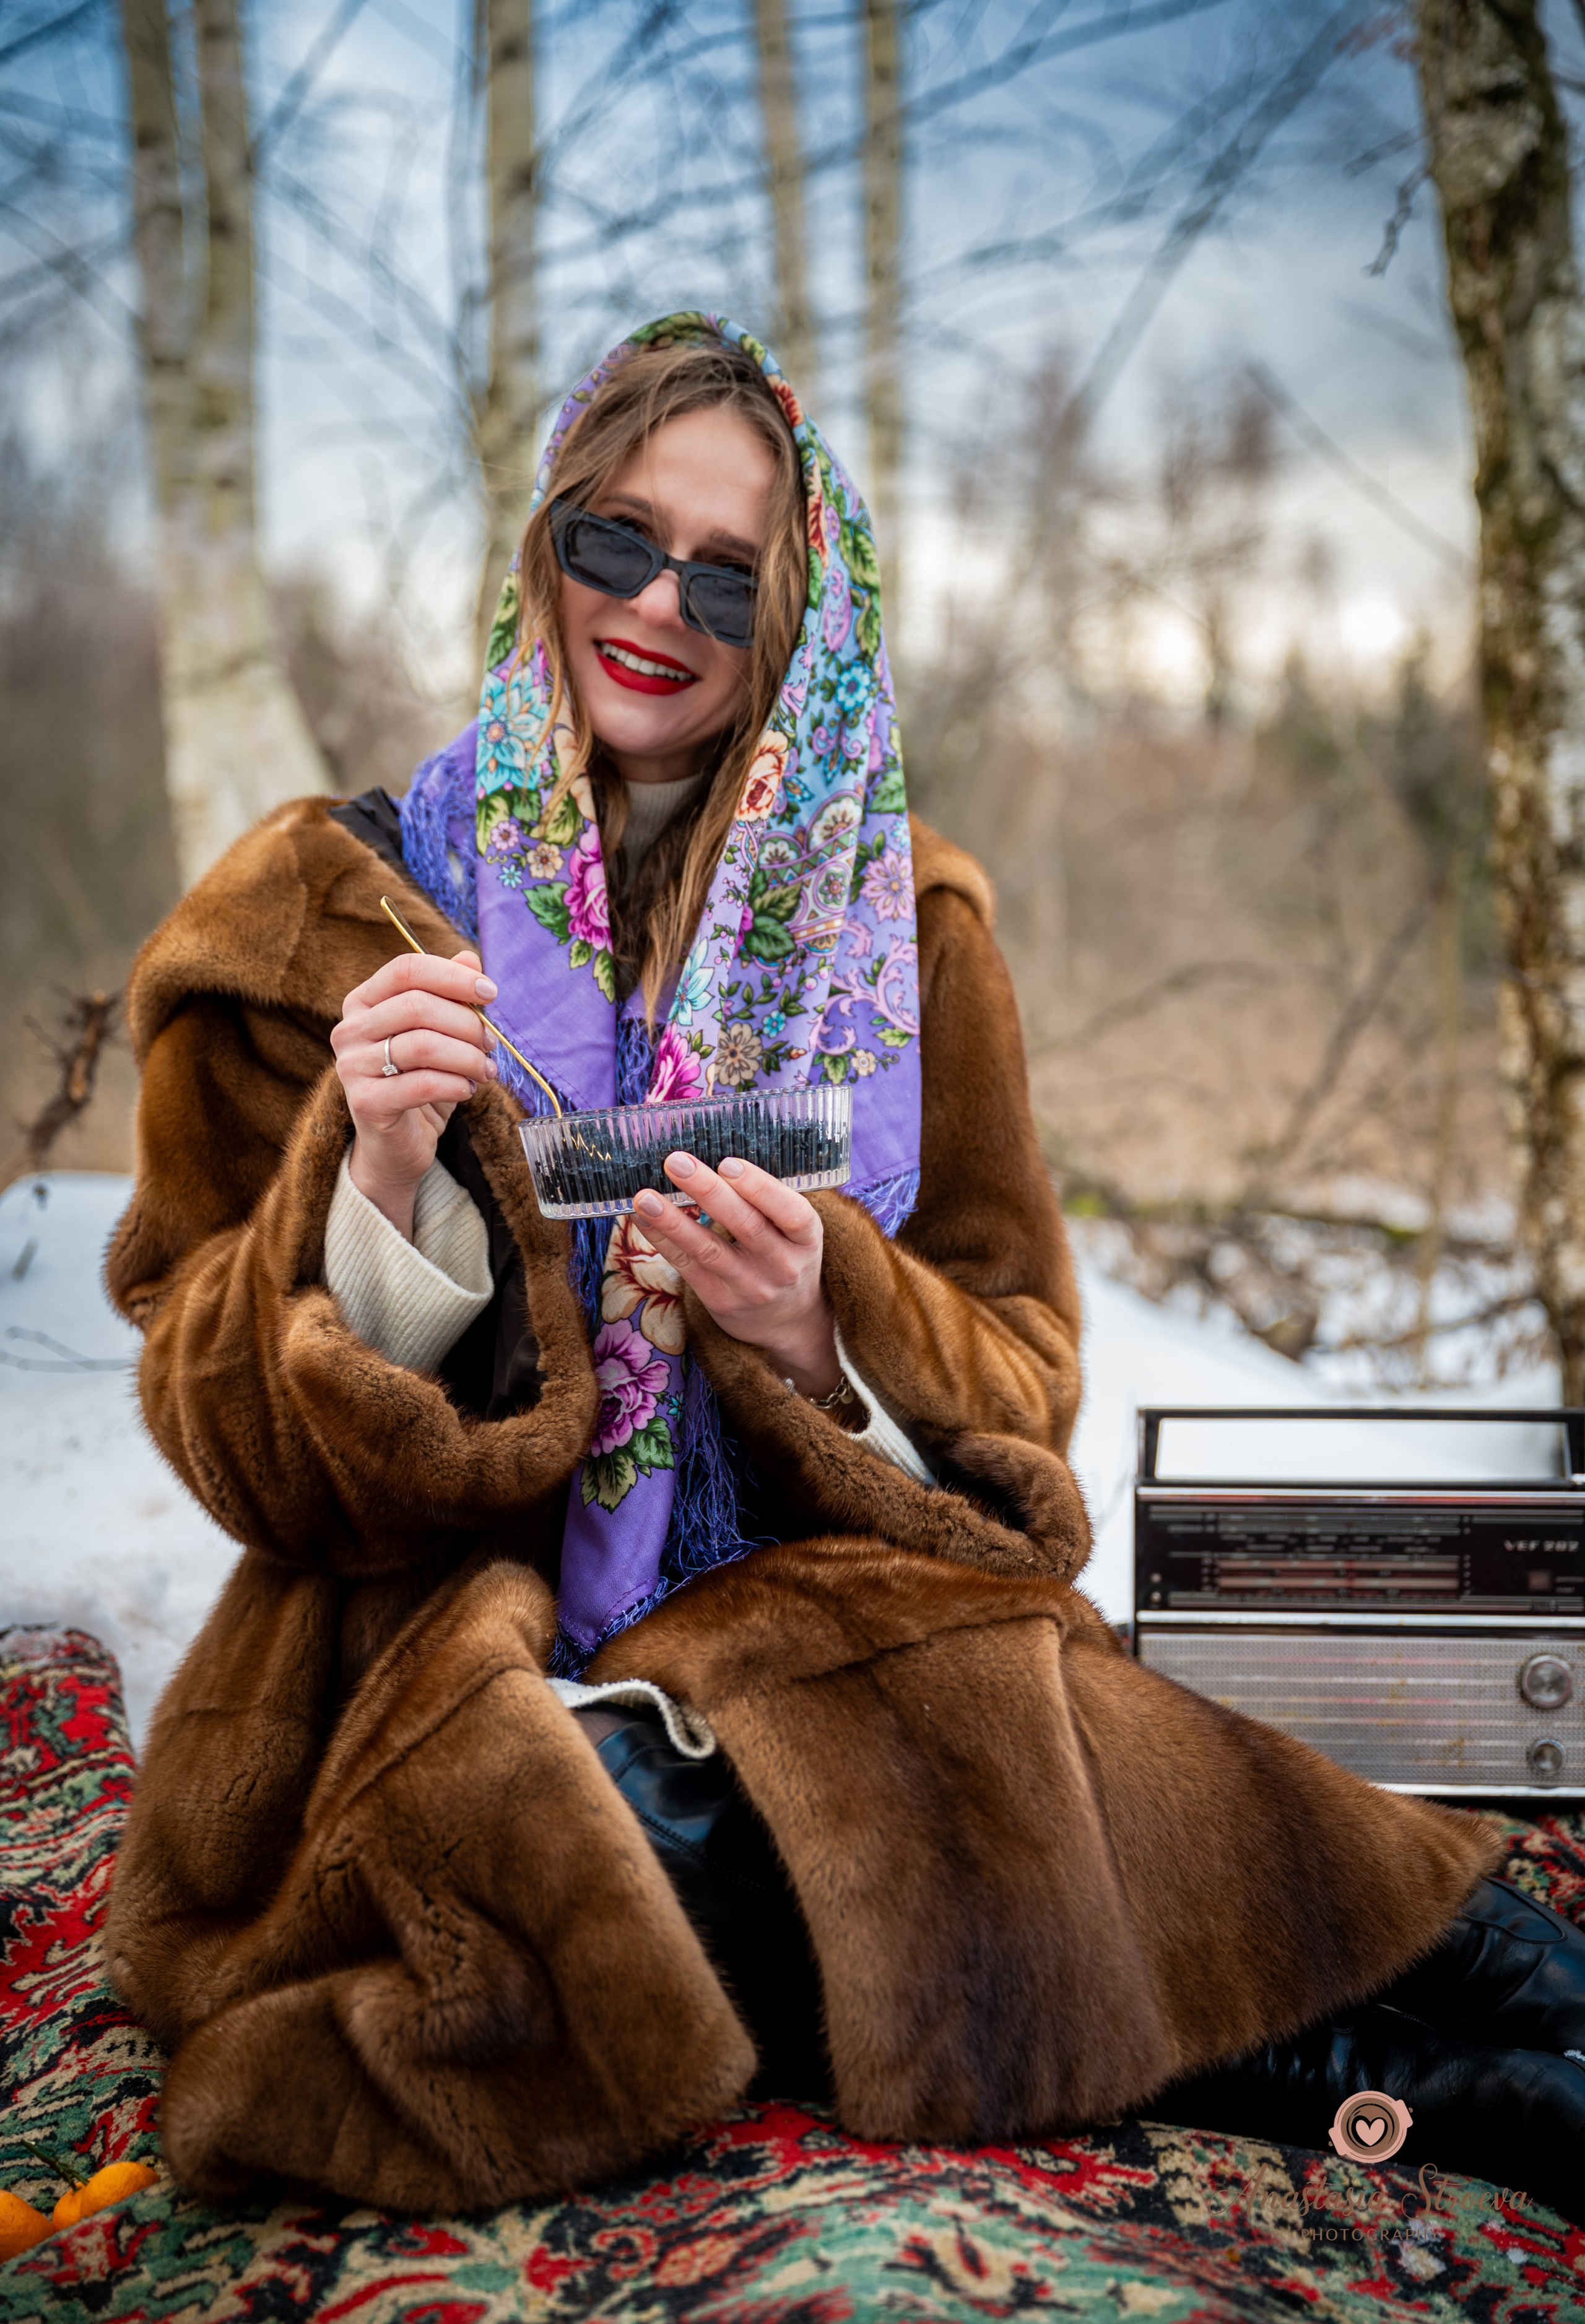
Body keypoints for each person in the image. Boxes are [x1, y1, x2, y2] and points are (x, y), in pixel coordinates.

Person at [103, 314, 1585, 2221]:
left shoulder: (901, 931)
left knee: (1250, 1815)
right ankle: (1371, 2075)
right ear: (543, 543)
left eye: (730, 569)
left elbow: (1024, 1368)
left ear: (800, 612)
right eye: (616, 536)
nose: (661, 605)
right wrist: (379, 1190)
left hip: (816, 1608)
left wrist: (823, 1322)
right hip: (440, 1651)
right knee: (617, 1833)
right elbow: (216, 1414)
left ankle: (1467, 2015)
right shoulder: (325, 918)